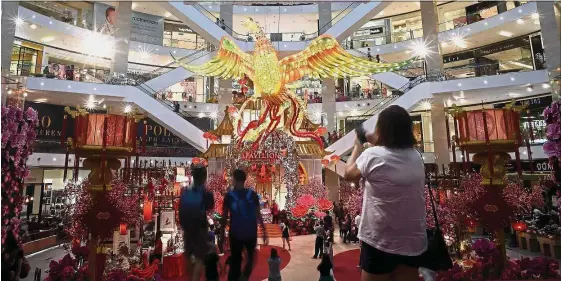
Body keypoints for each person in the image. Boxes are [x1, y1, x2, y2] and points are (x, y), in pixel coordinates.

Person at [344, 105, 427, 281]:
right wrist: (371, 137)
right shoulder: (416, 156)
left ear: (382, 129)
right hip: (412, 240)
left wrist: (357, 146)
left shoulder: (373, 155)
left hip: (380, 240)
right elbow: (389, 148)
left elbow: (348, 174)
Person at [221, 169, 269, 281]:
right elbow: (258, 215)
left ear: (234, 179)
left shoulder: (229, 196)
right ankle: (244, 277)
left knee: (236, 261)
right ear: (245, 180)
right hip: (250, 232)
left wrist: (222, 236)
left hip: (235, 233)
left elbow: (224, 218)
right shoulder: (252, 195)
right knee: (251, 259)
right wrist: (264, 232)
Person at [179, 163, 215, 281]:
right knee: (200, 258)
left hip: (187, 230)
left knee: (189, 257)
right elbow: (210, 208)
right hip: (199, 229)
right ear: (204, 177)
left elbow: (181, 213)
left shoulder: (184, 192)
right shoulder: (206, 193)